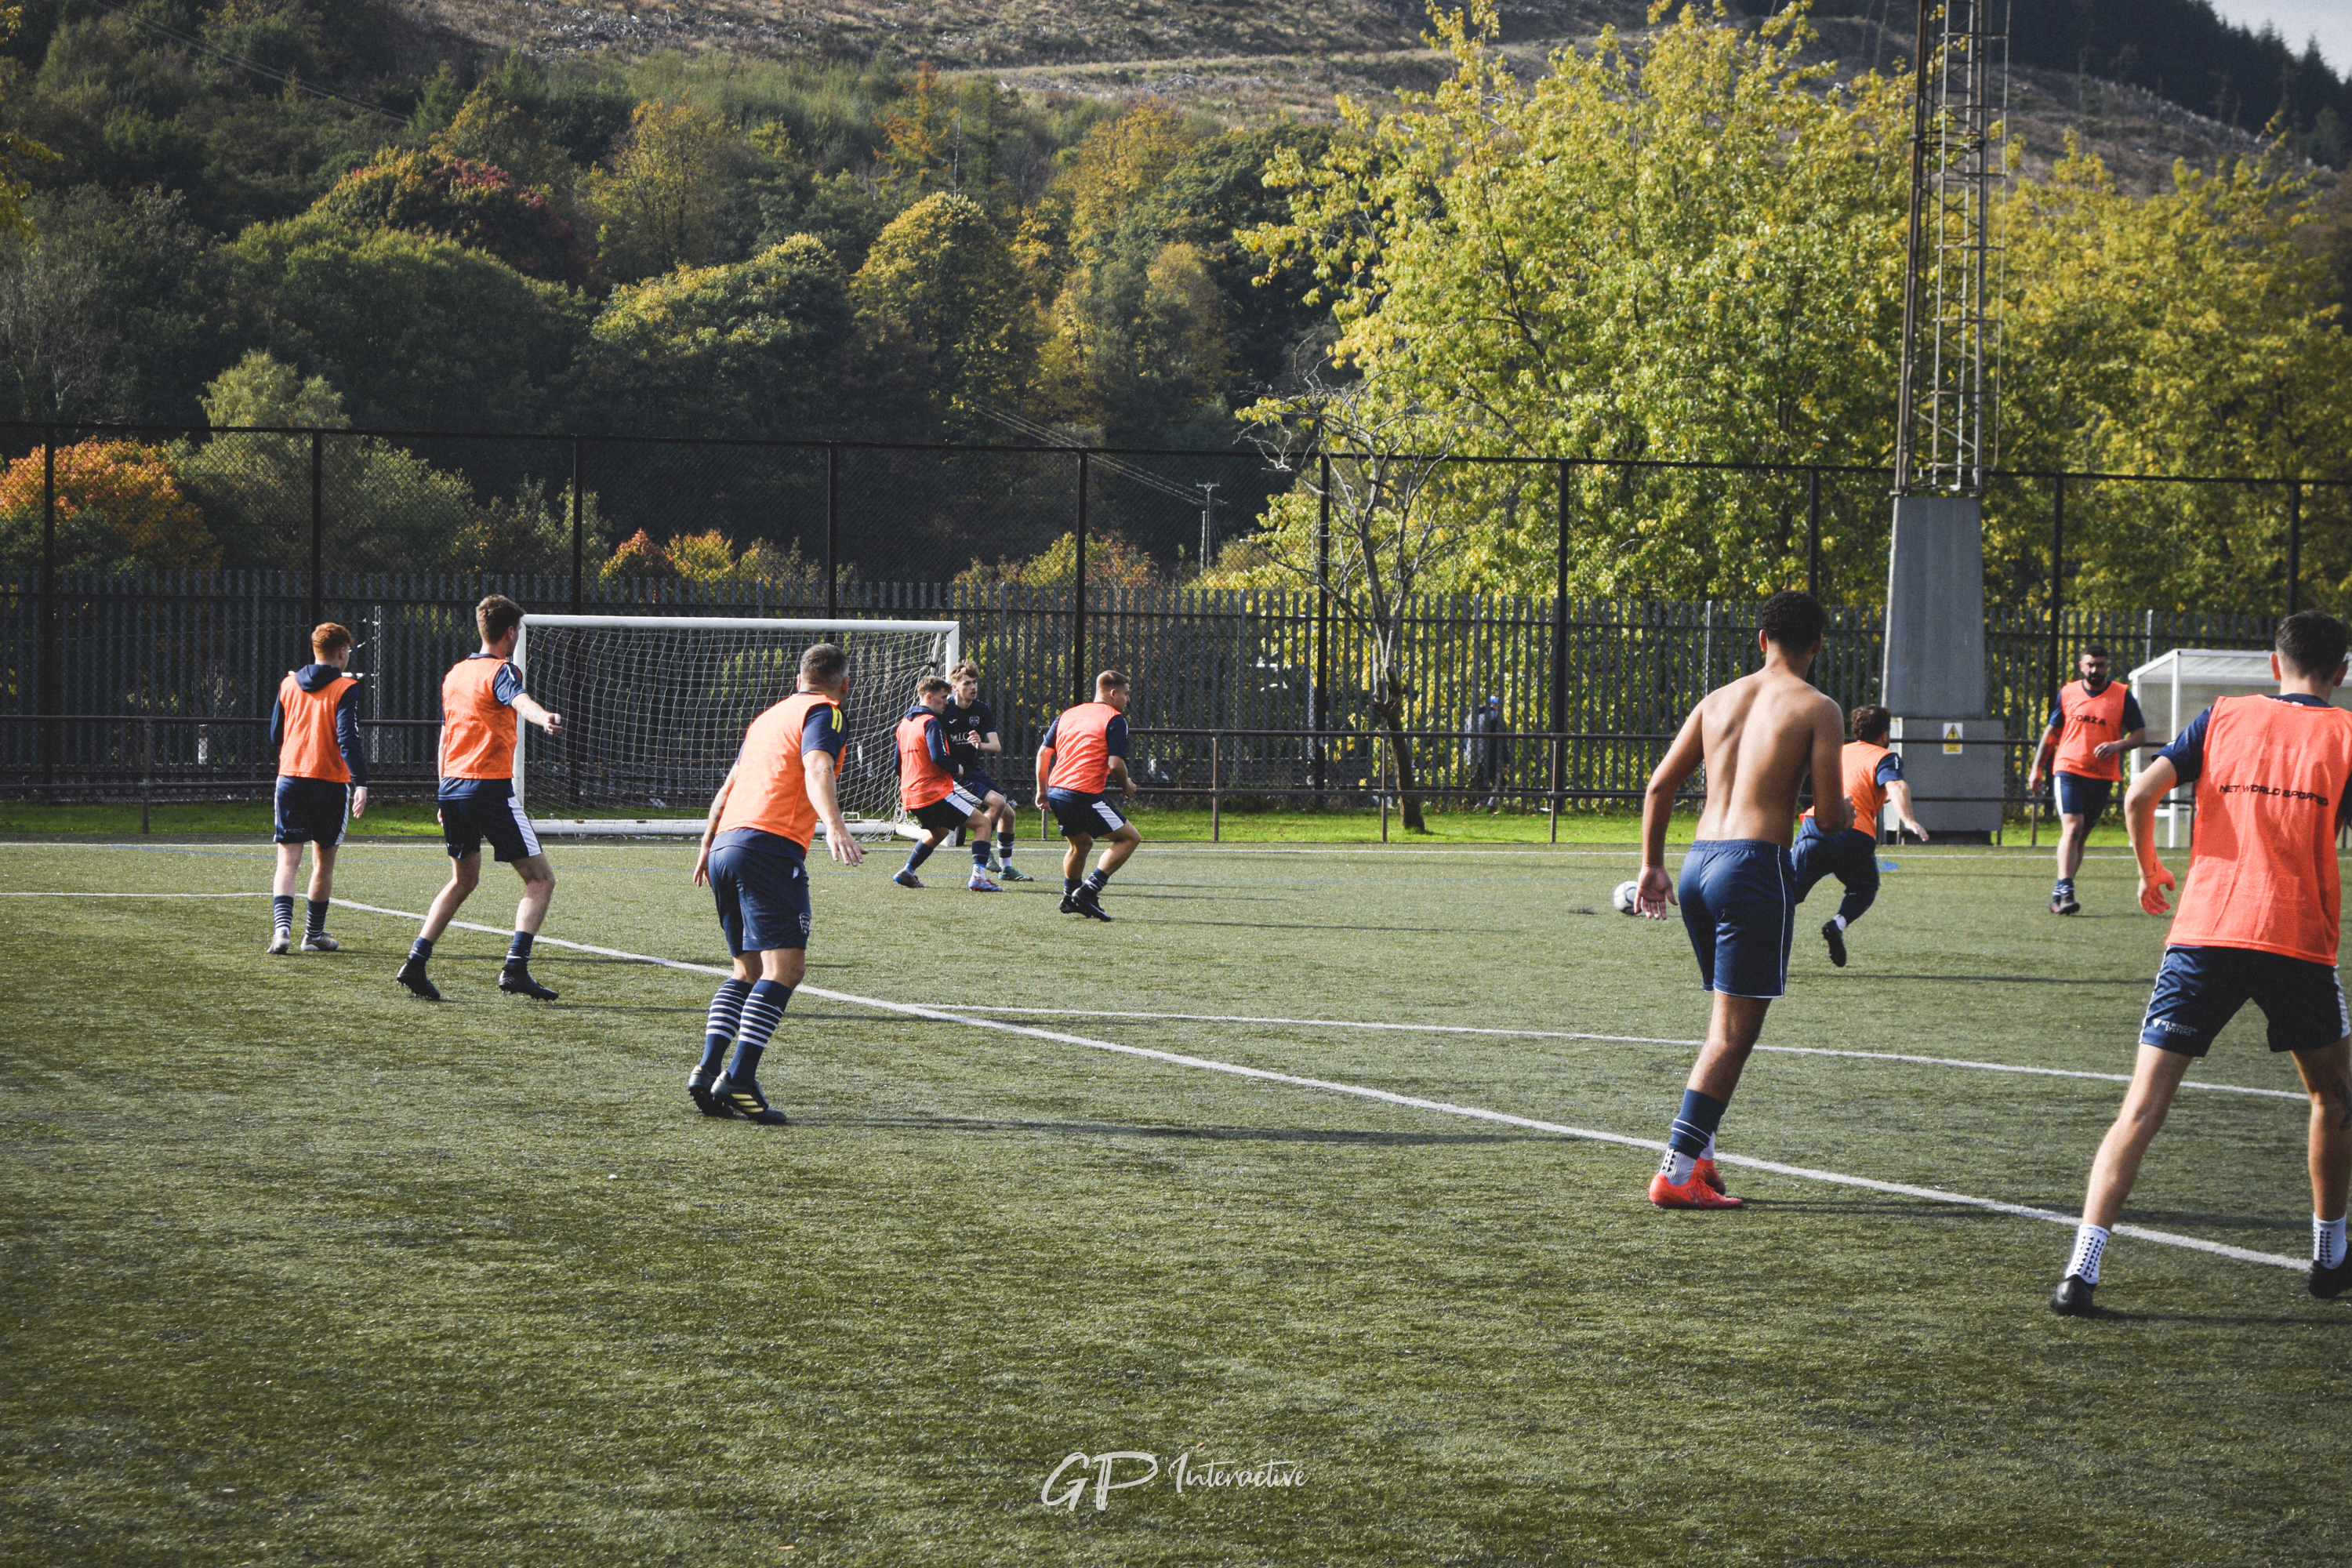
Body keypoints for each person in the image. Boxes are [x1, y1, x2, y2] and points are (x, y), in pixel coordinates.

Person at [2053, 611, 2352, 1314]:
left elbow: (2138, 795)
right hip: (2296, 939)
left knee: (2141, 1108)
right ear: (2341, 674)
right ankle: (2329, 1256)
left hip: (2204, 932)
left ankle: (2080, 1272)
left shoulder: (2221, 714)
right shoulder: (2346, 732)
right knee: (2333, 1098)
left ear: (2274, 666)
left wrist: (2150, 869)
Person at [1633, 591, 1849, 1209]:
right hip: (1754, 868)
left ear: (1761, 640)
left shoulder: (1716, 700)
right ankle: (1676, 1173)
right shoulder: (1820, 708)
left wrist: (1651, 865)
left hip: (1699, 865)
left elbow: (1659, 786)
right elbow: (1829, 819)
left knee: (1720, 1025)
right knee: (1732, 1037)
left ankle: (1700, 1157)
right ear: (1817, 645)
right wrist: (1850, 810)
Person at [688, 641, 866, 1127]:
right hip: (768, 847)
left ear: (797, 679)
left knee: (746, 971)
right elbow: (818, 765)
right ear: (844, 684)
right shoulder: (826, 711)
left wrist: (707, 843)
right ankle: (740, 1078)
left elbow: (729, 786)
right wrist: (835, 825)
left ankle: (707, 1070)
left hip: (726, 845)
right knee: (785, 970)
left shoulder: (766, 719)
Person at [393, 595, 564, 1003]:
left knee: (463, 879)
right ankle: (515, 968)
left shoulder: (456, 674)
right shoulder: (502, 670)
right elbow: (519, 700)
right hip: (487, 788)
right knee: (541, 880)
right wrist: (543, 717)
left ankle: (415, 962)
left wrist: (442, 793)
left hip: (451, 786)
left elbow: (446, 735)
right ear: (510, 632)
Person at [1791, 704, 1929, 968]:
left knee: (1785, 894)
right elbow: (1896, 785)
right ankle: (1837, 924)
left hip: (1817, 827)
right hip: (1854, 834)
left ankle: (1752, 945)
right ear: (1885, 735)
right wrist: (1909, 820)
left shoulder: (1839, 750)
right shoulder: (1885, 756)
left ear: (1856, 731)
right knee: (1864, 888)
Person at [264, 621, 368, 955]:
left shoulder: (288, 683)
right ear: (342, 652)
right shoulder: (345, 687)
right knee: (322, 863)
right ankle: (312, 935)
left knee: (287, 860)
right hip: (329, 782)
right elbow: (348, 738)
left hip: (290, 778)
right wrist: (361, 782)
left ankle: (282, 931)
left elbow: (275, 734)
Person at [2024, 645, 2147, 915]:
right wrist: (2037, 768)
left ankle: (2060, 892)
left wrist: (2116, 745)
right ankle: (2067, 890)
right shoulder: (2068, 692)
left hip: (2102, 775)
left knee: (2082, 835)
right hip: (2068, 769)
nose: (2095, 670)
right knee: (2073, 826)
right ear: (2081, 666)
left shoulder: (2122, 695)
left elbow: (2140, 736)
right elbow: (2052, 733)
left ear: (2107, 666)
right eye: (2090, 664)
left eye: (2100, 664)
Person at [1037, 670, 1142, 922]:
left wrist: (1042, 791)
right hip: (1082, 794)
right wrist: (1126, 785)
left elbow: (1043, 753)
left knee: (1081, 844)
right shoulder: (1115, 719)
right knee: (1130, 838)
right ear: (1113, 693)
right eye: (1126, 694)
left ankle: (1069, 897)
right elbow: (1115, 764)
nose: (1128, 700)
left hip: (1057, 791)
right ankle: (1087, 892)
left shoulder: (1068, 715)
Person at [892, 675, 1001, 892]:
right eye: (943, 698)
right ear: (929, 697)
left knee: (939, 831)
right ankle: (979, 878)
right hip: (933, 792)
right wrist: (957, 768)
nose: (946, 702)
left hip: (911, 795)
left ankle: (907, 872)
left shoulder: (904, 724)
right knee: (983, 824)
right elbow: (939, 757)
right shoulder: (931, 722)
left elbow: (898, 764)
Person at [942, 661, 1031, 880]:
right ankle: (984, 845)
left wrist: (979, 744)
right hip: (955, 774)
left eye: (975, 682)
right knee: (998, 804)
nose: (973, 687)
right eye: (967, 683)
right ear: (955, 687)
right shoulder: (944, 710)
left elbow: (996, 746)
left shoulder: (981, 709)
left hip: (973, 770)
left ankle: (1006, 869)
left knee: (1009, 814)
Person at [1465, 696, 1512, 811]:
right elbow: (1502, 740)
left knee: (1480, 780)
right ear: (1495, 705)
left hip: (1472, 755)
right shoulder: (1496, 716)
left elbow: (1465, 740)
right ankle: (1491, 806)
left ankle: (1480, 804)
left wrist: (1467, 755)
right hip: (1490, 755)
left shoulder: (1471, 717)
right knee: (1500, 781)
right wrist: (1506, 761)